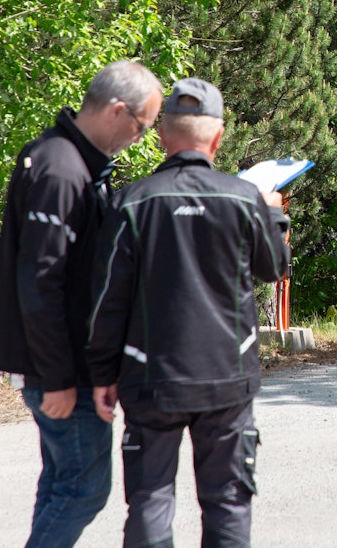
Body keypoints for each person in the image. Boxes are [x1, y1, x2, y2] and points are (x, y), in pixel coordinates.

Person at [86, 77, 291, 548]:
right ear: (218, 137)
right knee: (228, 502)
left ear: (162, 135)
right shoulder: (243, 200)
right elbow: (272, 268)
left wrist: (101, 373)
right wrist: (273, 214)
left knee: (150, 499)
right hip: (227, 375)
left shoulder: (131, 201)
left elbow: (106, 299)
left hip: (149, 376)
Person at [0, 60, 164, 548]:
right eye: (142, 126)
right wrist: (57, 378)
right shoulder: (61, 169)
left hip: (65, 366)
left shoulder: (69, 160)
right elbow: (41, 281)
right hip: (63, 371)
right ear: (117, 110)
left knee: (62, 484)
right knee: (83, 489)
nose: (141, 138)